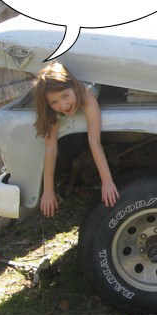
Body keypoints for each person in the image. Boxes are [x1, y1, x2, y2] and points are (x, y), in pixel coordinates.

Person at [32, 62, 119, 216]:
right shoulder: (52, 111)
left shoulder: (87, 99)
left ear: (73, 87)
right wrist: (48, 191)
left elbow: (94, 142)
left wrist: (107, 182)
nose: (63, 105)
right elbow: (51, 147)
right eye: (54, 102)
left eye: (65, 96)